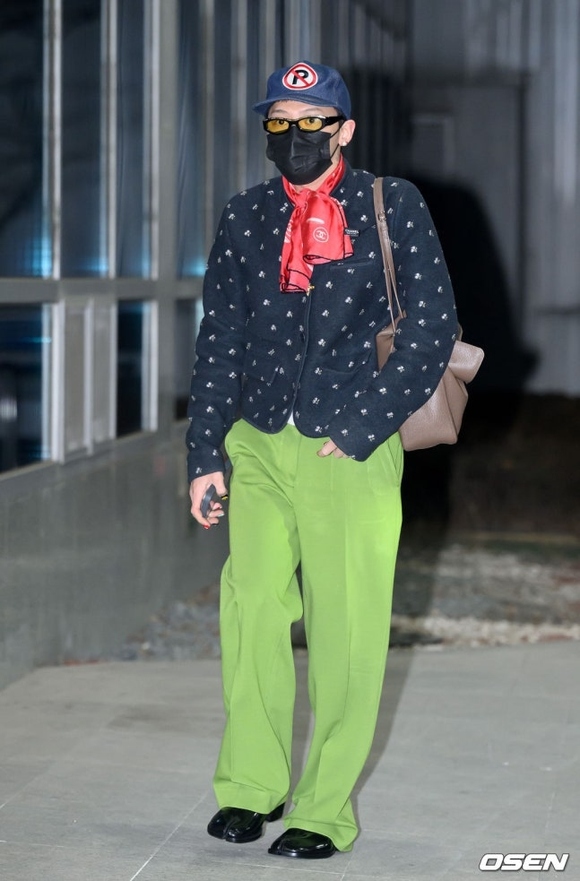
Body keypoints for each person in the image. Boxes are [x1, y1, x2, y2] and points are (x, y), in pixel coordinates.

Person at [186, 60, 457, 859]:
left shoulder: (391, 205)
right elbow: (219, 339)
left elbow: (431, 329)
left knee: (346, 626)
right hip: (257, 440)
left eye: (311, 122)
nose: (294, 136)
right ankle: (251, 786)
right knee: (252, 609)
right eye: (279, 122)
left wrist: (365, 424)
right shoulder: (245, 215)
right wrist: (205, 451)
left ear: (343, 130)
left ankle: (324, 808)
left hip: (350, 446)